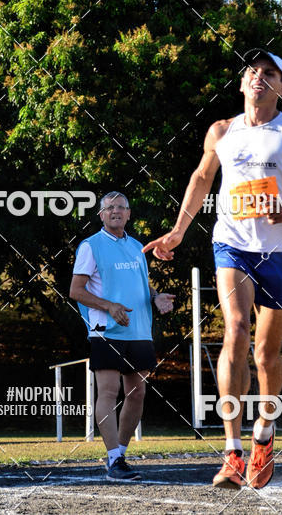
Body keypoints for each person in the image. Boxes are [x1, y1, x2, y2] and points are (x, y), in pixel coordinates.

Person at [143, 49, 282, 490]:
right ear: (242, 83)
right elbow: (200, 178)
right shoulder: (221, 131)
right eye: (253, 71)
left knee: (266, 355)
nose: (260, 78)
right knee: (234, 328)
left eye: (271, 72)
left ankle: (264, 435)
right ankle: (232, 451)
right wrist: (178, 231)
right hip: (231, 246)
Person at [69, 191, 175, 481]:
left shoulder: (138, 247)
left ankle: (120, 456)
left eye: (121, 207)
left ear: (129, 214)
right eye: (109, 208)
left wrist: (156, 297)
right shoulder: (90, 246)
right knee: (107, 391)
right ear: (101, 215)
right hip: (105, 330)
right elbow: (75, 291)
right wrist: (109, 306)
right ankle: (113, 458)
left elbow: (141, 286)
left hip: (138, 329)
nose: (115, 211)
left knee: (137, 393)